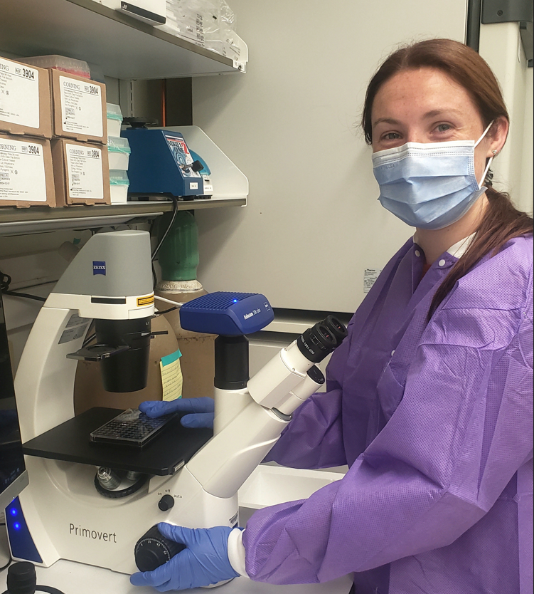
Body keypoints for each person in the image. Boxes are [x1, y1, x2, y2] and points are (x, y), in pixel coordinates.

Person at [131, 39, 533, 594]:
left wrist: (245, 550)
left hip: (464, 572)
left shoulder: (506, 287)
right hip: (384, 560)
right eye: (391, 134)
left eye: (441, 127)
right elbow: (359, 413)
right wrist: (246, 424)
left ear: (494, 135)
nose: (413, 152)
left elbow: (434, 485)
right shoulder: (411, 264)